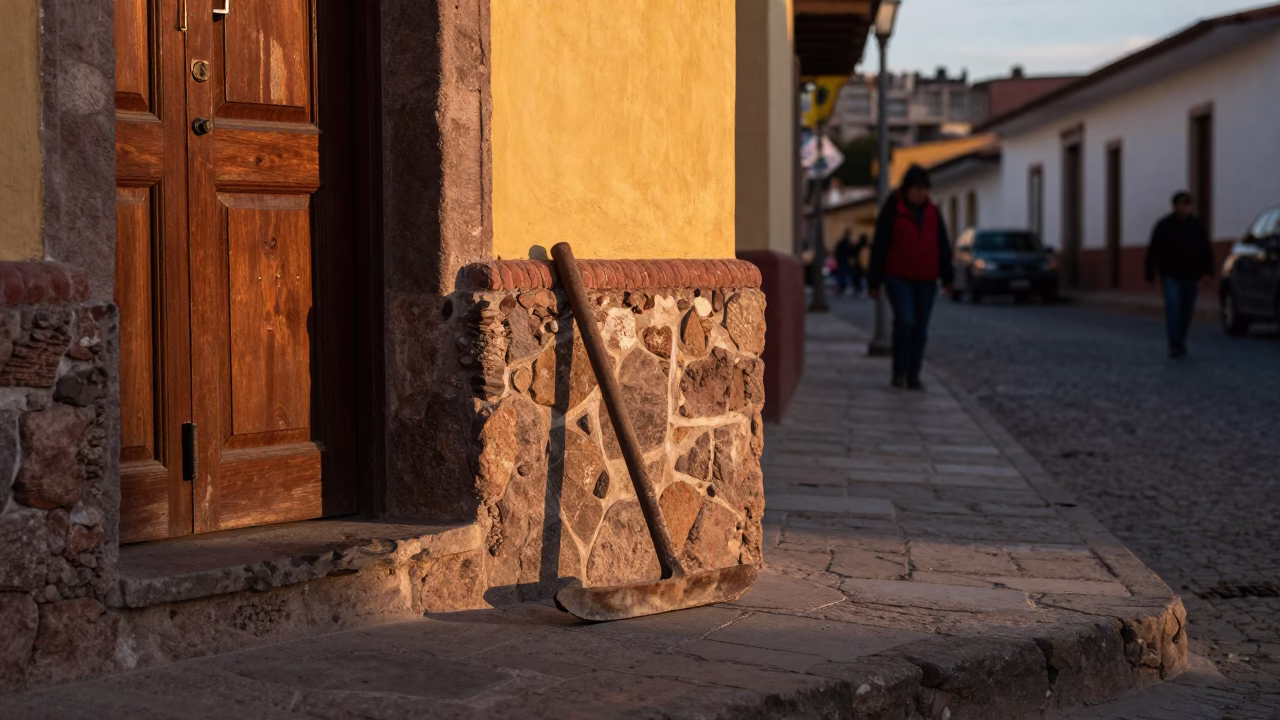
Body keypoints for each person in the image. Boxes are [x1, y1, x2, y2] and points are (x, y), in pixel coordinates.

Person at [867, 165, 954, 390]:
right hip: (898, 277)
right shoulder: (892, 209)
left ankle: (914, 375)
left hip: (927, 279)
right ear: (906, 189)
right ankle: (899, 371)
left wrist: (948, 276)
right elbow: (880, 244)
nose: (920, 194)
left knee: (920, 329)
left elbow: (942, 243)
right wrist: (874, 280)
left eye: (924, 189)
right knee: (906, 321)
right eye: (916, 189)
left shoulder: (933, 212)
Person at [1144, 191, 1215, 358]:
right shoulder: (1163, 225)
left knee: (1187, 309)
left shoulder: (1196, 225)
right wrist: (1150, 272)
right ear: (1174, 206)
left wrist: (1207, 272)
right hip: (1170, 274)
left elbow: (1206, 250)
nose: (1185, 208)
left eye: (1187, 204)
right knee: (1173, 307)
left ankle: (1181, 338)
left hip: (1191, 274)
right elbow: (1153, 249)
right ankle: (1174, 343)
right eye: (1182, 204)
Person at [834, 231, 856, 296]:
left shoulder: (842, 242)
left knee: (842, 275)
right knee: (844, 275)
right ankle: (843, 288)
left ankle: (841, 287)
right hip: (844, 261)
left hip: (842, 261)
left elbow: (837, 252)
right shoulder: (847, 243)